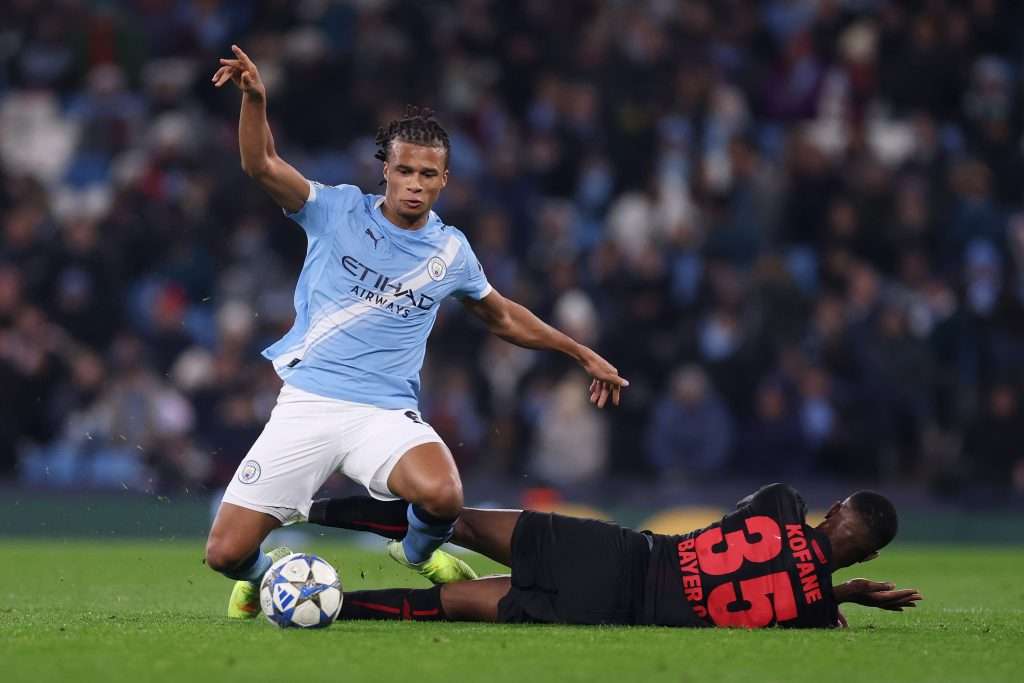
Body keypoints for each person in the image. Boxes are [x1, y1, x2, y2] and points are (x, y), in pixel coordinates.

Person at [204, 46, 629, 619]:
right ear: (386, 169)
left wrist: (579, 353)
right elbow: (261, 165)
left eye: (428, 175)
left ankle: (418, 552)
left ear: (444, 180)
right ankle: (266, 574)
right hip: (309, 402)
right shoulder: (335, 210)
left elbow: (501, 315)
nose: (414, 184)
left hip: (384, 412)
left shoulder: (450, 251)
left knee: (444, 494)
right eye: (404, 171)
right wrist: (255, 100)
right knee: (225, 553)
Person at [307, 483, 922, 627]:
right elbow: (792, 590)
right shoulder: (814, 614)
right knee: (447, 603)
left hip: (617, 552)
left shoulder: (781, 504)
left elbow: (751, 543)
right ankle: (326, 607)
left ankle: (304, 509)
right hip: (610, 610)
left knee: (457, 521)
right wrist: (837, 595)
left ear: (835, 511)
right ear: (867, 558)